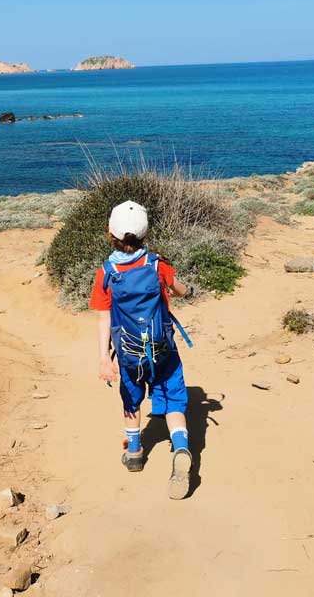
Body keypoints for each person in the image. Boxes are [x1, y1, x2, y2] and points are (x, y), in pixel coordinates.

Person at [90, 200, 194, 500]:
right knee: (174, 399)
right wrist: (188, 290)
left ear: (111, 232)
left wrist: (102, 359)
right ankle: (182, 446)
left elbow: (104, 318)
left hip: (128, 353)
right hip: (163, 349)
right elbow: (178, 289)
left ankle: (135, 453)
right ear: (146, 232)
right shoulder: (158, 264)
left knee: (131, 400)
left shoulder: (106, 273)